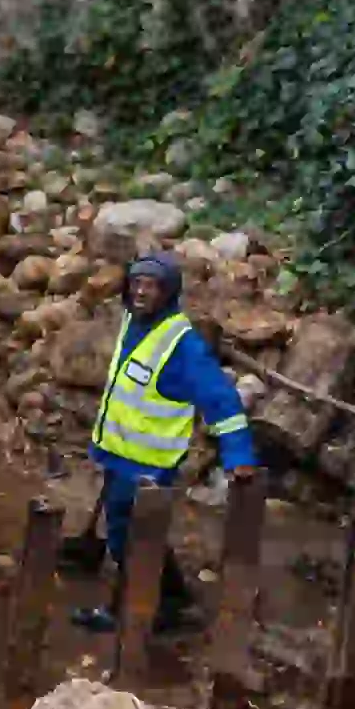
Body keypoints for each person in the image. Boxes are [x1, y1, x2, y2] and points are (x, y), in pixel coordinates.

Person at [71, 252, 261, 633]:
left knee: (130, 532)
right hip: (119, 451)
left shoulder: (182, 345)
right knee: (135, 527)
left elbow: (220, 398)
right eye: (136, 283)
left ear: (168, 292)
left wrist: (238, 454)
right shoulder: (133, 321)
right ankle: (173, 597)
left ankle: (128, 608)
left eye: (151, 286)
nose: (141, 292)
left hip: (148, 462)